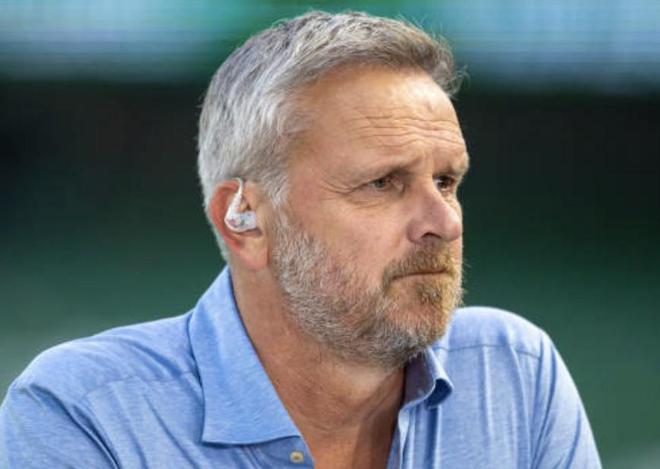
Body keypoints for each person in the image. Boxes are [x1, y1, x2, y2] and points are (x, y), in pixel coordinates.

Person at [0, 11, 601, 468]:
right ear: (244, 219)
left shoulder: (515, 374)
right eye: (382, 183)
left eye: (446, 182)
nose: (444, 222)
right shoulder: (84, 413)